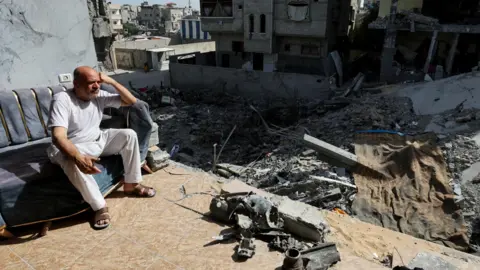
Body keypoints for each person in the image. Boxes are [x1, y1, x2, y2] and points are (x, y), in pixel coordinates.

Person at [47, 66, 156, 230]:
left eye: (98, 82)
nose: (96, 86)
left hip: (97, 140)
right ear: (76, 84)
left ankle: (131, 184)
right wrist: (77, 157)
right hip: (73, 146)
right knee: (69, 160)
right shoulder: (62, 99)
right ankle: (99, 207)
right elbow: (59, 136)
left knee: (129, 135)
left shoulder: (97, 95)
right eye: (91, 83)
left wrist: (111, 81)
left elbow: (132, 102)